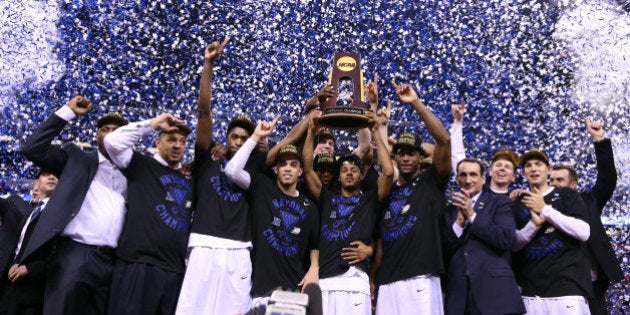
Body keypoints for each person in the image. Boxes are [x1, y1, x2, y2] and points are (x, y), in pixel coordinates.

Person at [21, 96, 128, 315]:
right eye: (105, 129)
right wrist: (68, 111)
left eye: (117, 131)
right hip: (75, 255)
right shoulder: (76, 159)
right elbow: (33, 148)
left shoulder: (134, 170)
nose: (110, 134)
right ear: (97, 136)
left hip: (114, 262)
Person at [303, 108, 393, 315]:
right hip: (325, 281)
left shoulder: (369, 200)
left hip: (355, 281)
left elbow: (388, 172)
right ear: (338, 176)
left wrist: (377, 131)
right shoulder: (326, 198)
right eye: (344, 170)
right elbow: (307, 168)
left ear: (362, 176)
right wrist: (311, 132)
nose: (350, 173)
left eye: (354, 170)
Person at [372, 82, 451, 315]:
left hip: (421, 279)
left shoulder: (431, 183)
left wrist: (415, 103)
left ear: (420, 158)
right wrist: (373, 277)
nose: (405, 158)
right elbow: (381, 243)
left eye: (411, 153)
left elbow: (444, 141)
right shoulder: (389, 191)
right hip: (388, 281)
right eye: (401, 154)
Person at [103, 113, 193, 314]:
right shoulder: (140, 165)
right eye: (171, 140)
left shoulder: (189, 179)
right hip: (138, 264)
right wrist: (153, 123)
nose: (178, 145)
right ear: (157, 142)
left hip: (174, 270)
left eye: (182, 141)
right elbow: (112, 142)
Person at [224, 119, 319, 307]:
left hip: (294, 289)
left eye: (293, 165)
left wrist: (314, 268)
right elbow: (232, 171)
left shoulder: (310, 206)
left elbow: (315, 244)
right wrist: (256, 136)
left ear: (300, 171)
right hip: (262, 290)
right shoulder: (261, 186)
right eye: (283, 164)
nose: (288, 168)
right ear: (275, 169)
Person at [549, 118, 622, 315]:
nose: (555, 184)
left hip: (592, 285)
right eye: (552, 180)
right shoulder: (541, 207)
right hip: (557, 286)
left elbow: (607, 178)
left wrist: (599, 139)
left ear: (573, 185)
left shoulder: (589, 201)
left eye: (560, 180)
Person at [512, 150, 592, 314]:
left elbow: (583, 232)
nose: (533, 169)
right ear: (523, 172)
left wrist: (544, 209)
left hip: (567, 290)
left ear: (549, 169)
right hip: (530, 293)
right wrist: (534, 225)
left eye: (538, 164)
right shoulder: (517, 202)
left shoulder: (566, 194)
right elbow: (514, 244)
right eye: (528, 165)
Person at [442, 158, 525, 315]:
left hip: (494, 294)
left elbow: (506, 240)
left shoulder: (500, 203)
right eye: (463, 175)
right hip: (458, 298)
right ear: (457, 179)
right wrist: (459, 223)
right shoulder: (448, 211)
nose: (468, 180)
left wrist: (472, 216)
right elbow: (444, 253)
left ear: (483, 178)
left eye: (473, 174)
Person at [0, 170, 58, 315]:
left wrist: (30, 269)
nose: (51, 177)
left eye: (56, 175)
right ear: (37, 182)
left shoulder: (59, 215)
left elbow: (58, 256)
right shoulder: (27, 211)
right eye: (45, 174)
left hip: (30, 295)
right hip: (7, 285)